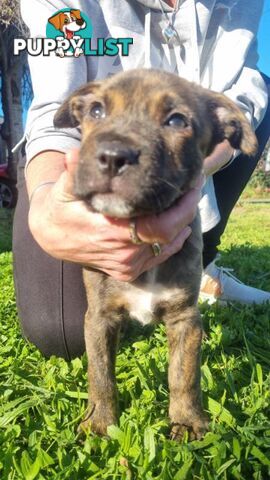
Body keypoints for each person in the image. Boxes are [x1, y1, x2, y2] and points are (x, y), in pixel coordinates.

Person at [14, 0, 270, 360]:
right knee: (59, 329)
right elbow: (51, 110)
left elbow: (246, 86)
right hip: (77, 167)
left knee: (258, 101)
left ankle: (202, 264)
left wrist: (194, 165)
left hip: (186, 166)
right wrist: (44, 209)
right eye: (99, 110)